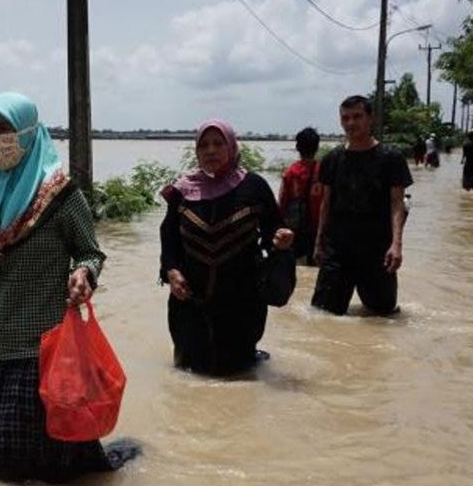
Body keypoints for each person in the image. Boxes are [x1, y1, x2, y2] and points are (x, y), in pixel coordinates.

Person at [0, 91, 138, 484]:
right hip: (0, 348)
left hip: (49, 347)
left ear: (28, 132)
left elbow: (90, 253)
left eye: (3, 129)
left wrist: (84, 275)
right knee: (12, 469)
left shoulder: (61, 195)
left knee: (58, 464)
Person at [160, 118, 294, 376]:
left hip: (241, 301)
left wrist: (281, 240)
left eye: (218, 143)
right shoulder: (182, 190)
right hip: (190, 299)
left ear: (231, 147)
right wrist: (172, 272)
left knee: (238, 372)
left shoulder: (254, 186)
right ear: (196, 151)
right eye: (204, 145)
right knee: (189, 371)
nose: (211, 150)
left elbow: (273, 230)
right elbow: (169, 237)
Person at [310, 95, 413, 316]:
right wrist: (318, 243)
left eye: (357, 117)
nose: (351, 123)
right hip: (337, 249)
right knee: (322, 316)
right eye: (345, 118)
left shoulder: (390, 158)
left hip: (377, 250)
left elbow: (397, 205)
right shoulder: (332, 159)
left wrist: (397, 244)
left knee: (383, 317)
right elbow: (326, 204)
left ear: (370, 119)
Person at [277, 126, 323, 265]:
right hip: (319, 230)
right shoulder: (323, 170)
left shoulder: (291, 172)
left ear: (297, 147)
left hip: (296, 231)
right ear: (317, 147)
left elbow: (282, 201)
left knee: (298, 267)